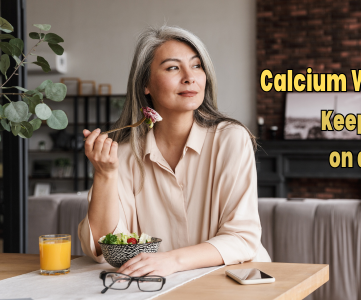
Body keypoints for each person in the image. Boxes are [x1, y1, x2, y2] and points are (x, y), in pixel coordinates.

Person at [78, 25, 271, 277]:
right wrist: (104, 174)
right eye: (172, 67)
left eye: (197, 66)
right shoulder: (123, 153)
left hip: (235, 282)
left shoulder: (231, 139)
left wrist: (171, 261)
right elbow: (106, 247)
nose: (189, 77)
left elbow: (242, 237)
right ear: (145, 83)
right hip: (159, 286)